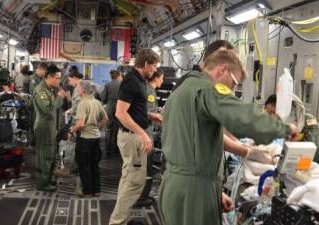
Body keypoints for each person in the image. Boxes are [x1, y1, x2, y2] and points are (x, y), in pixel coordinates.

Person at [159, 49, 298, 225]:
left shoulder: (180, 92)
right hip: (194, 193)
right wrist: (284, 129)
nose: (232, 90)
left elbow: (193, 145)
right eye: (233, 83)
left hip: (173, 187)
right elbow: (241, 116)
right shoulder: (208, 89)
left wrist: (216, 192)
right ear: (222, 70)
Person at [109, 49, 161, 225]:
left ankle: (120, 219)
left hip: (131, 135)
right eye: (154, 67)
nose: (155, 71)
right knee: (135, 182)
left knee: (128, 179)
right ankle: (117, 221)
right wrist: (142, 134)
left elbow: (132, 110)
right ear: (146, 64)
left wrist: (150, 116)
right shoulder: (132, 81)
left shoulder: (137, 80)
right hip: (132, 138)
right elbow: (120, 113)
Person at [264, 94, 319, 165]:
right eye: (268, 114)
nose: (271, 117)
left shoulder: (308, 120)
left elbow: (312, 152)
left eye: (272, 112)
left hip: (318, 166)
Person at [71, 80, 109, 197]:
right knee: (94, 164)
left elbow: (80, 124)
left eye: (78, 88)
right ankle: (96, 190)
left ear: (82, 90)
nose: (77, 90)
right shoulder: (96, 102)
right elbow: (105, 119)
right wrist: (98, 128)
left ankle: (87, 191)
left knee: (84, 165)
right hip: (96, 138)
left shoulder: (82, 103)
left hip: (85, 138)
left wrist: (70, 131)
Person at [33, 64, 67, 192]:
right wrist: (59, 97)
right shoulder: (41, 90)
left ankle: (47, 180)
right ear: (50, 77)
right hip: (44, 128)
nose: (59, 81)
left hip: (50, 128)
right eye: (58, 78)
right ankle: (42, 184)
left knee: (50, 156)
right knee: (45, 157)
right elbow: (47, 109)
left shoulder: (49, 89)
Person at [135, 68, 164, 207]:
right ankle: (141, 197)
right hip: (146, 130)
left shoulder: (147, 89)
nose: (162, 81)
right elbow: (143, 111)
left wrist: (156, 111)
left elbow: (147, 108)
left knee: (143, 164)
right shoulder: (150, 90)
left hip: (145, 129)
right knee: (146, 165)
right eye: (162, 78)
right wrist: (154, 115)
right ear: (157, 78)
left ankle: (140, 195)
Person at [101, 70, 123, 158]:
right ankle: (117, 150)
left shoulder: (107, 85)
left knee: (109, 129)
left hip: (110, 107)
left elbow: (103, 97)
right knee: (119, 128)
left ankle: (108, 151)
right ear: (119, 75)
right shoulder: (122, 84)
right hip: (120, 106)